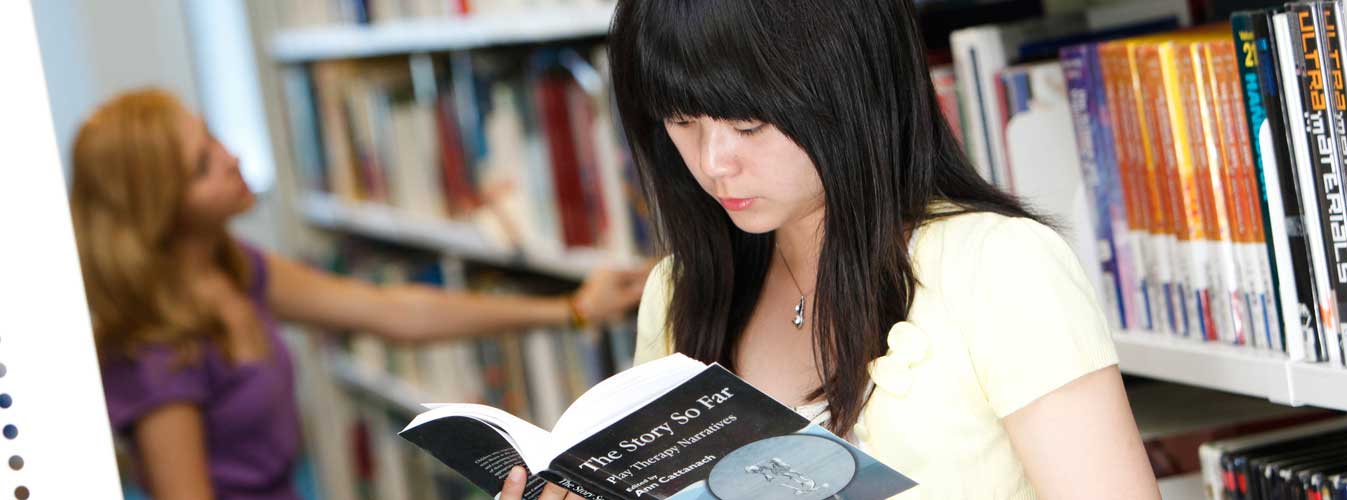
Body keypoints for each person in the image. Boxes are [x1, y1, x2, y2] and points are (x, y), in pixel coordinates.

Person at [500, 0, 1162, 498]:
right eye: (681, 122)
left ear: (847, 91)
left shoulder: (1000, 265)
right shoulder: (678, 291)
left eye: (746, 123)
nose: (714, 162)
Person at [69, 88, 648, 500]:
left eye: (213, 137)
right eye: (202, 165)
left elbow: (389, 310)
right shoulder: (156, 357)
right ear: (161, 209)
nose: (232, 158)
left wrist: (571, 310)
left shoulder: (231, 268)